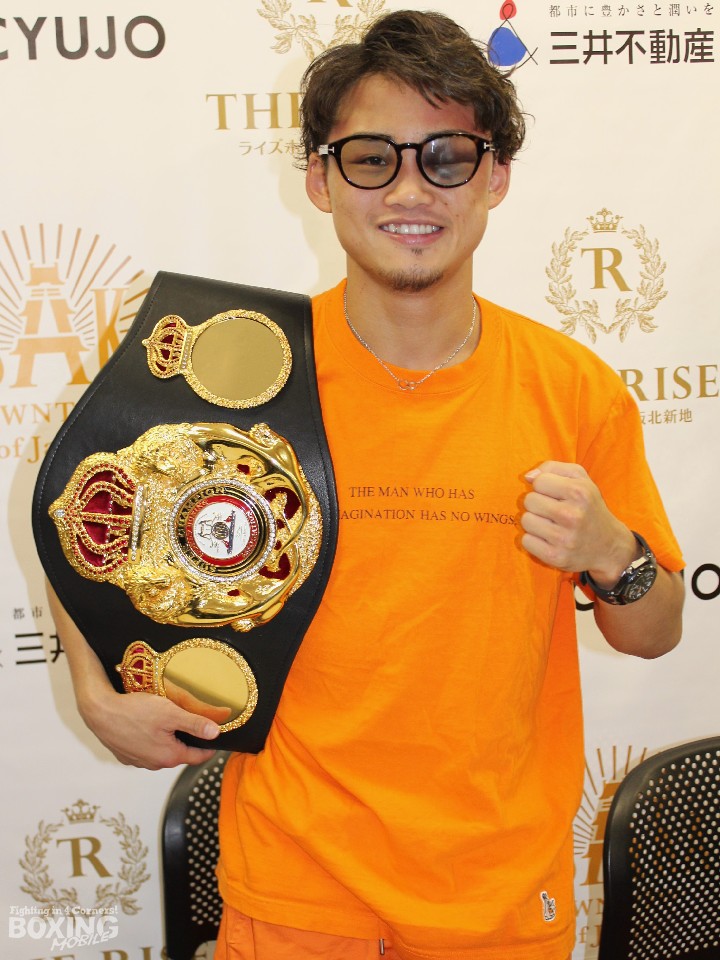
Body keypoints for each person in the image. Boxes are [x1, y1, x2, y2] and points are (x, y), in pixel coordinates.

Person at [46, 9, 684, 960]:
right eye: (372, 158)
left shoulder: (572, 388)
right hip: (295, 888)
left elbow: (656, 630)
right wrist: (94, 690)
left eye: (448, 157)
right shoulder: (237, 370)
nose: (410, 190)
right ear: (320, 178)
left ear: (497, 177)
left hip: (498, 900)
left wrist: (612, 554)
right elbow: (85, 511)